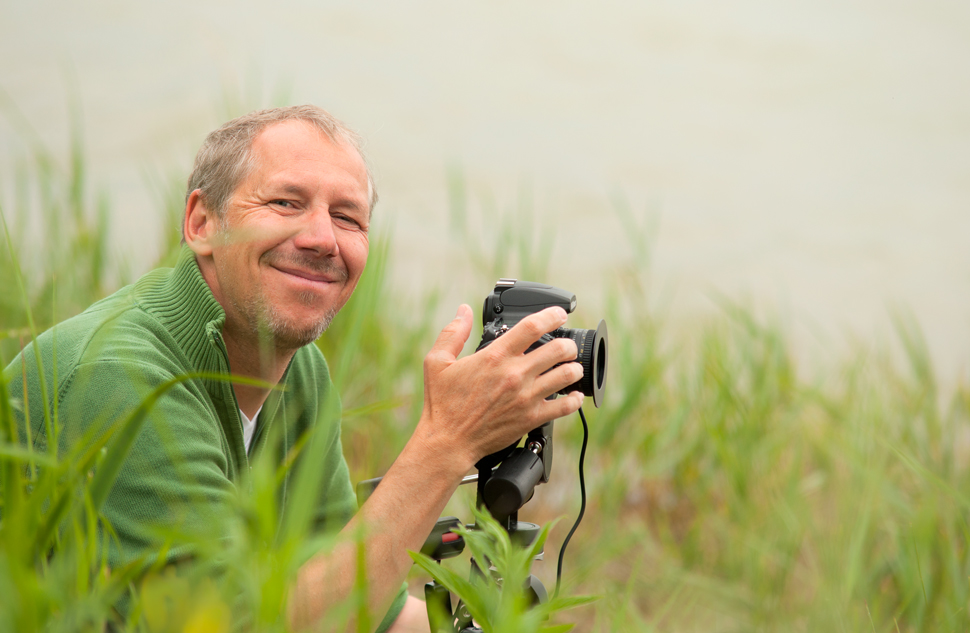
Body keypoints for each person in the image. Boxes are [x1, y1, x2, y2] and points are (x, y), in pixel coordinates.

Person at [4, 105, 585, 632]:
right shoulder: (124, 377)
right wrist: (446, 442)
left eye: (348, 218)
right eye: (285, 203)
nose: (321, 239)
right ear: (202, 223)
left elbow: (359, 608)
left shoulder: (298, 371)